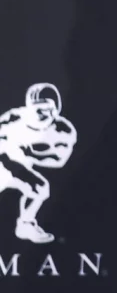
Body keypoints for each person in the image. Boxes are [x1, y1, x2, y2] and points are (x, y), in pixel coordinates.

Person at [0, 83, 77, 244]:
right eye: (39, 108)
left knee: (40, 188)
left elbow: (59, 159)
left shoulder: (62, 130)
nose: (44, 113)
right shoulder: (13, 118)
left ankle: (25, 225)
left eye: (49, 107)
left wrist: (31, 154)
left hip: (19, 167)